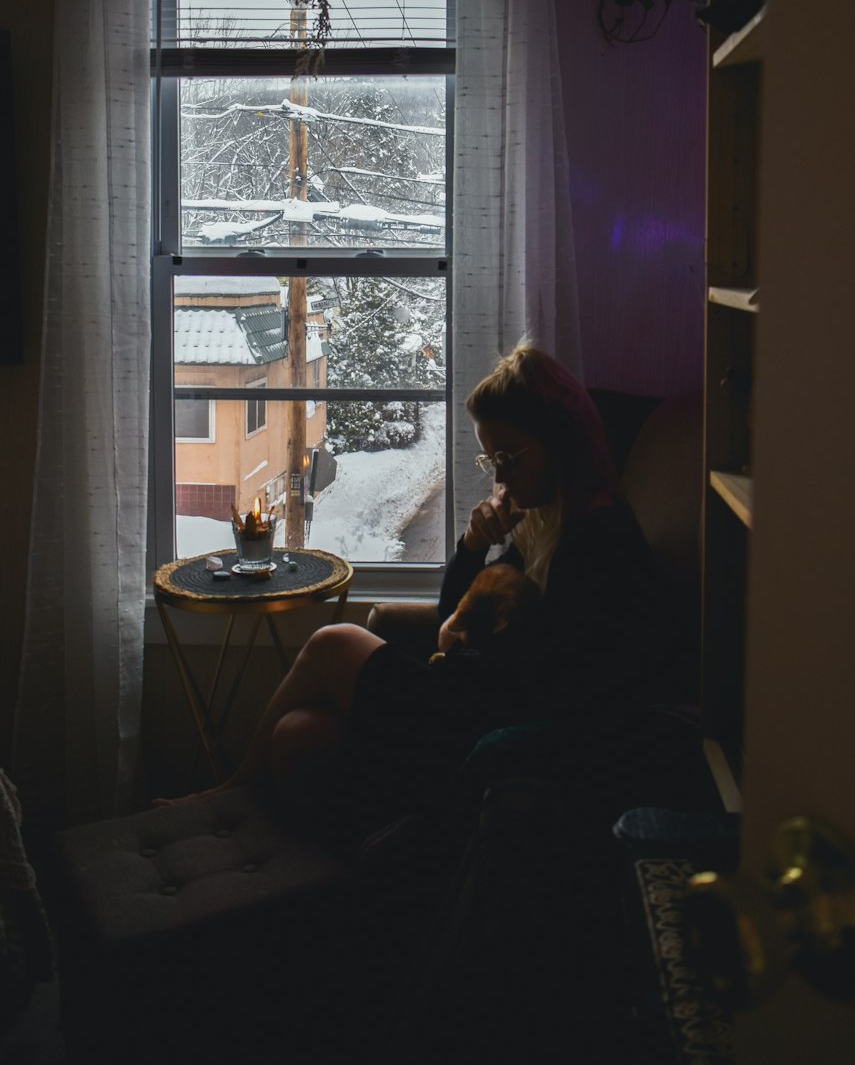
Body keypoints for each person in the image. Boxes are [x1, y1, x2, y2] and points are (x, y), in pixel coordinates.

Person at [213, 344, 672, 840]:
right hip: (475, 701)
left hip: (491, 726)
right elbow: (452, 614)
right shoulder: (545, 521)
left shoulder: (598, 539)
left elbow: (546, 680)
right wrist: (474, 547)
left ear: (557, 440)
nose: (499, 477)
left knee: (333, 643)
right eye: (490, 458)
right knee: (297, 737)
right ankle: (333, 864)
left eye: (509, 457)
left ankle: (227, 795)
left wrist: (459, 655)